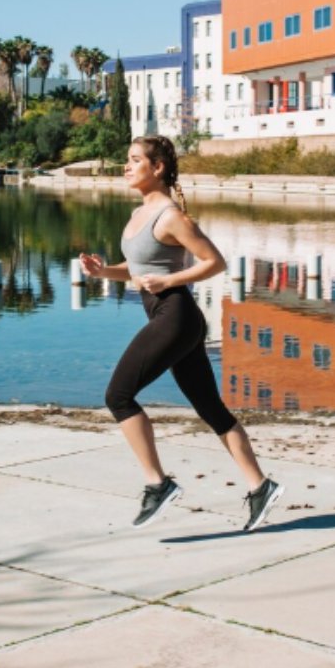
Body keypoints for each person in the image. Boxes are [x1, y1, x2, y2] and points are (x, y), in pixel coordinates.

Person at [79, 135, 283, 532]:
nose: (126, 166)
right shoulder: (140, 213)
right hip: (169, 317)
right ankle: (261, 486)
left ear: (157, 168)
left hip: (176, 317)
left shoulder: (172, 217)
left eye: (135, 160)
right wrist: (104, 271)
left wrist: (170, 279)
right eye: (127, 159)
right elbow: (138, 268)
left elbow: (215, 262)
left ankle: (158, 484)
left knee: (118, 396)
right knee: (211, 409)